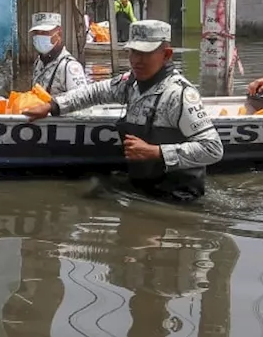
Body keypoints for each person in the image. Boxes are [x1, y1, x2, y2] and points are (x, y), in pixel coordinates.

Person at [23, 20, 223, 202]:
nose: (137, 60)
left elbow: (213, 149)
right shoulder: (131, 83)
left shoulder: (178, 95)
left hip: (177, 197)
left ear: (166, 54)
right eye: (133, 52)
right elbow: (94, 92)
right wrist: (53, 105)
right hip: (142, 188)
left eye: (145, 53)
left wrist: (157, 152)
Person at [28, 12, 88, 94]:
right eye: (36, 33)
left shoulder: (69, 67)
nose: (39, 36)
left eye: (45, 33)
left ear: (59, 34)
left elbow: (81, 100)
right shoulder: (38, 63)